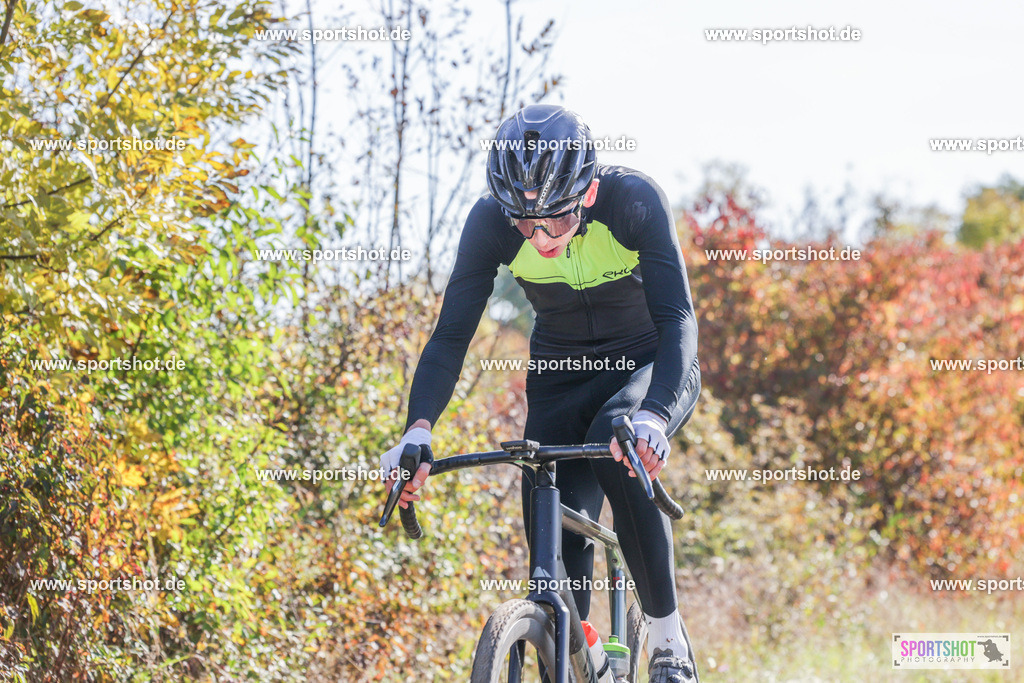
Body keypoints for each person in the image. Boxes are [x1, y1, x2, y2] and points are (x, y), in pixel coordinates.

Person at [380, 103, 701, 682]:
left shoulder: (634, 203)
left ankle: (668, 639)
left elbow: (678, 317)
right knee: (549, 531)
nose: (540, 235)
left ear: (590, 193)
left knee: (616, 438)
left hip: (646, 368)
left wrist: (655, 415)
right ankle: (587, 656)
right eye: (526, 224)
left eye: (555, 219)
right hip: (559, 376)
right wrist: (417, 430)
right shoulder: (491, 223)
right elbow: (452, 334)